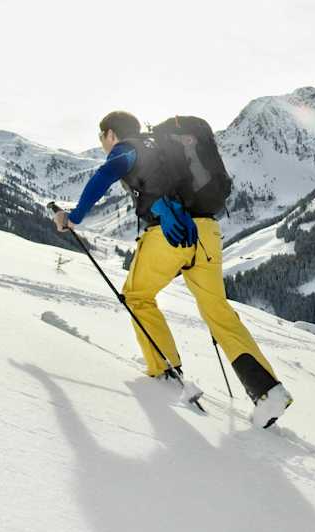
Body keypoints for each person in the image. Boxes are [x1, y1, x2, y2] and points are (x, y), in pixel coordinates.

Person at [53, 111, 292, 428]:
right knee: (216, 308)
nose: (102, 144)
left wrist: (74, 217)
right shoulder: (164, 146)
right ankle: (268, 391)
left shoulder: (127, 148)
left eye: (101, 138)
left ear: (110, 133)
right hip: (207, 231)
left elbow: (102, 177)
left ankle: (165, 371)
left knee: (137, 296)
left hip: (169, 233)